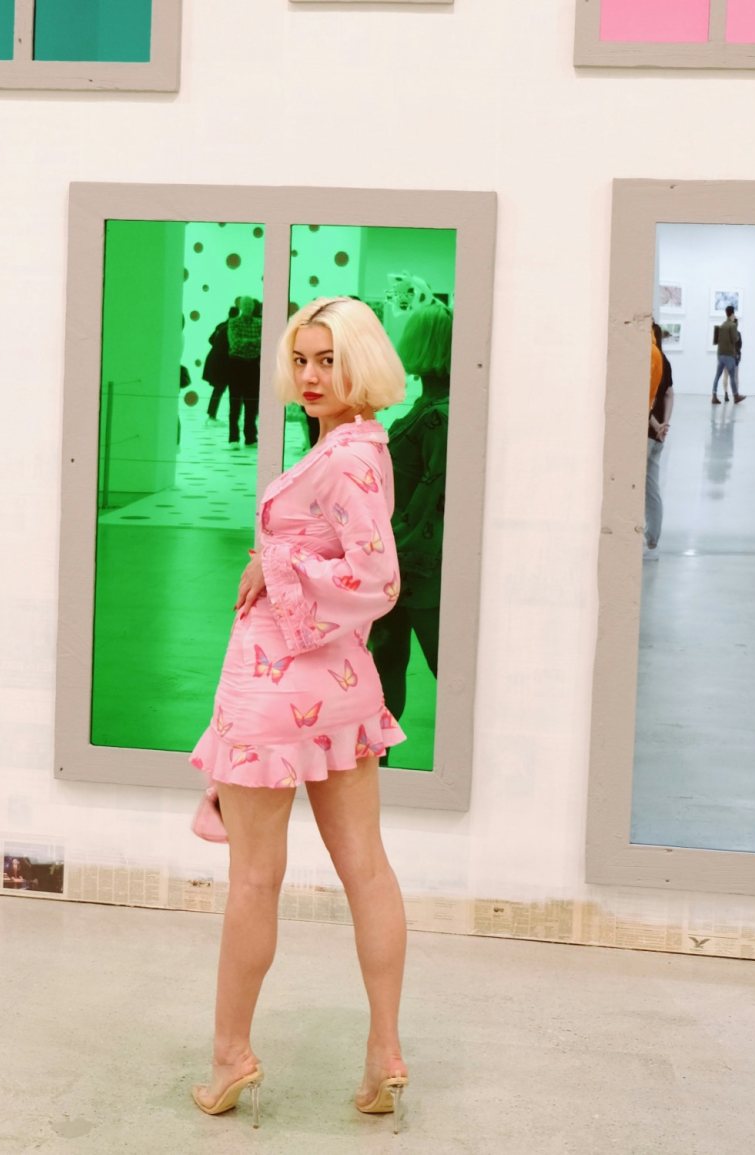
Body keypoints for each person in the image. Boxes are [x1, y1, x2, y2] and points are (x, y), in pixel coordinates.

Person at [188, 297, 411, 1132]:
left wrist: (271, 558)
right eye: (304, 359)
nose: (313, 376)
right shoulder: (362, 448)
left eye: (329, 360)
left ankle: (229, 1057)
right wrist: (284, 555)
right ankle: (384, 1050)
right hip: (339, 691)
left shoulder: (344, 459)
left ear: (362, 363)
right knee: (367, 868)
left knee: (255, 879)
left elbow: (378, 579)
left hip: (280, 691)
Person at [369, 300, 450, 724]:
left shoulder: (440, 415)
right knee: (383, 664)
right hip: (403, 561)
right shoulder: (433, 407)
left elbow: (431, 500)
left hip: (414, 565)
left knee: (441, 666)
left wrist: (389, 552)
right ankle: (371, 761)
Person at [647, 322, 674, 560]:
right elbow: (669, 394)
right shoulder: (665, 361)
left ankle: (648, 540)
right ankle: (652, 539)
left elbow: (645, 399)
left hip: (648, 434)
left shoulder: (650, 358)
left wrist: (656, 425)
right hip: (657, 435)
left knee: (643, 488)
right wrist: (665, 425)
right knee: (652, 488)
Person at [225, 296, 263, 447]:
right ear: (241, 306)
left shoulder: (259, 323)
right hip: (236, 365)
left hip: (253, 366)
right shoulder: (233, 322)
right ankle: (233, 438)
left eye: (250, 305)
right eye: (245, 305)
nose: (248, 307)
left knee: (252, 404)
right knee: (235, 403)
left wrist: (246, 341)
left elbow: (263, 342)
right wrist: (253, 342)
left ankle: (251, 437)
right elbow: (235, 343)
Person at [712, 305, 745, 404]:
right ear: (733, 314)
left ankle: (714, 396)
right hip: (729, 355)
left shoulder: (722, 325)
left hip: (720, 355)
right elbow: (735, 339)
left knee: (717, 376)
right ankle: (736, 396)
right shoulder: (732, 325)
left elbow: (717, 340)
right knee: (732, 377)